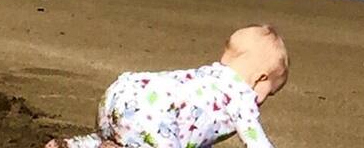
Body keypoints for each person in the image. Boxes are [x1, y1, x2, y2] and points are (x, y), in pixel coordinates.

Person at [50, 25, 289, 148]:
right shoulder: (241, 95)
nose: (264, 100)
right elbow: (256, 141)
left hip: (121, 91)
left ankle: (72, 145)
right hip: (150, 115)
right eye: (270, 92)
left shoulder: (209, 77)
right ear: (260, 79)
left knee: (118, 135)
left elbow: (194, 133)